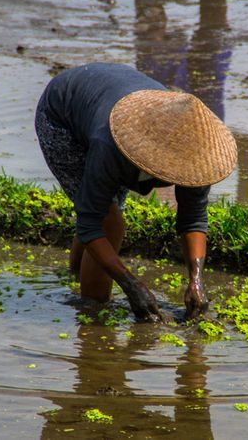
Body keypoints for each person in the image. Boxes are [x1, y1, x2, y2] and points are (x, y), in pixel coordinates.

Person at [34, 63, 237, 322]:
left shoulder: (196, 152)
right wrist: (131, 286)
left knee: (103, 207)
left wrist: (196, 281)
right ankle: (91, 309)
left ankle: (75, 274)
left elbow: (193, 219)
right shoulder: (110, 143)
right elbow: (90, 225)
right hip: (62, 115)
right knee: (109, 222)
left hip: (105, 103)